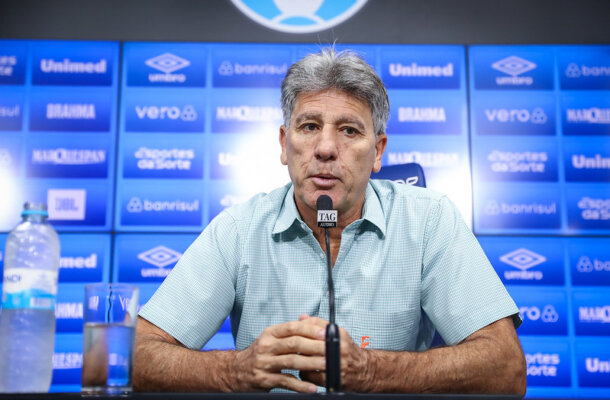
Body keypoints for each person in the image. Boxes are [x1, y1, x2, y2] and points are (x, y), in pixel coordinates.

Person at [134, 48, 526, 394]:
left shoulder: (428, 220)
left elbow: (506, 367)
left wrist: (371, 371)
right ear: (284, 143)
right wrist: (236, 370)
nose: (325, 148)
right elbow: (134, 356)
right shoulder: (238, 230)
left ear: (378, 152)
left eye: (349, 130)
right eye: (309, 127)